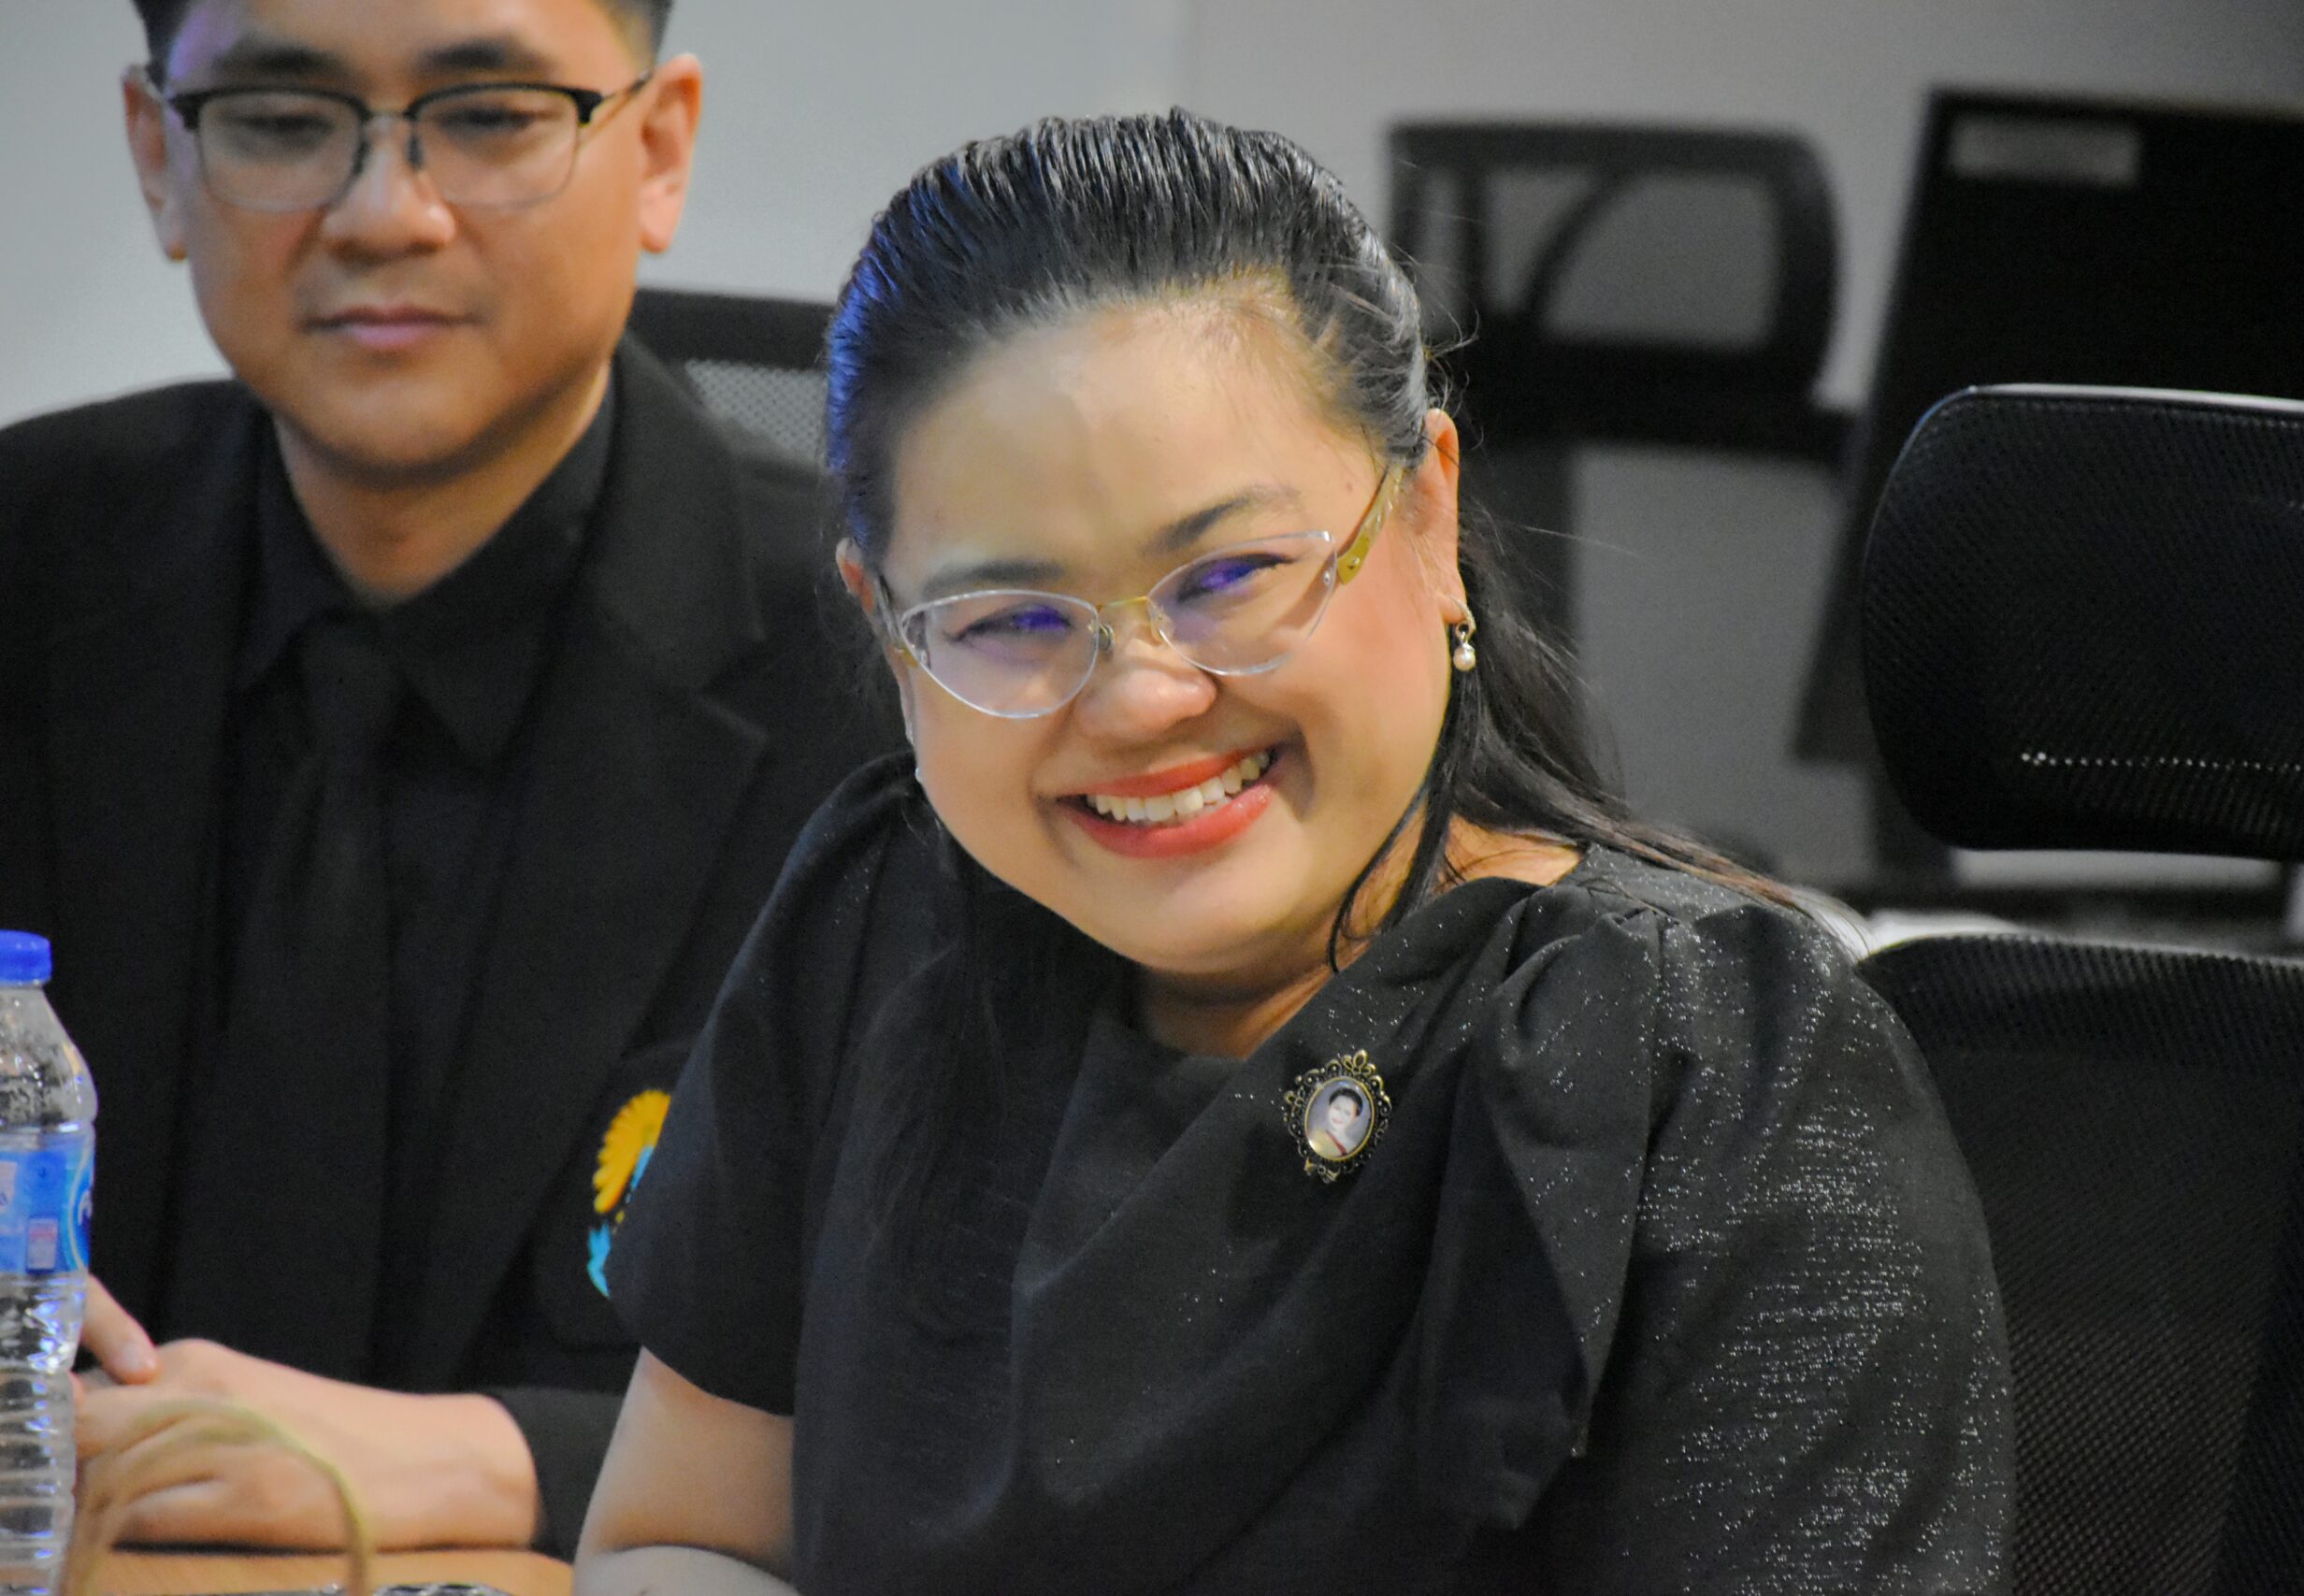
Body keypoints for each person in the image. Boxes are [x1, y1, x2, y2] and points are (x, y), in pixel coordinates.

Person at [577, 111, 2014, 1593]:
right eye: (1012, 620)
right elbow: (680, 1537)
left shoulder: (1713, 1072)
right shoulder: (883, 924)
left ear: (1430, 512)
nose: (1139, 699)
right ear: (888, 631)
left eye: (1230, 577)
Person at [0, 0, 894, 1559]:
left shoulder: (898, 672)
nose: (384, 214)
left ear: (658, 148)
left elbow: (999, 1383)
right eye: (284, 120)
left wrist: (500, 1461)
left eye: (487, 116)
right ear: (159, 154)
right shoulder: (26, 569)